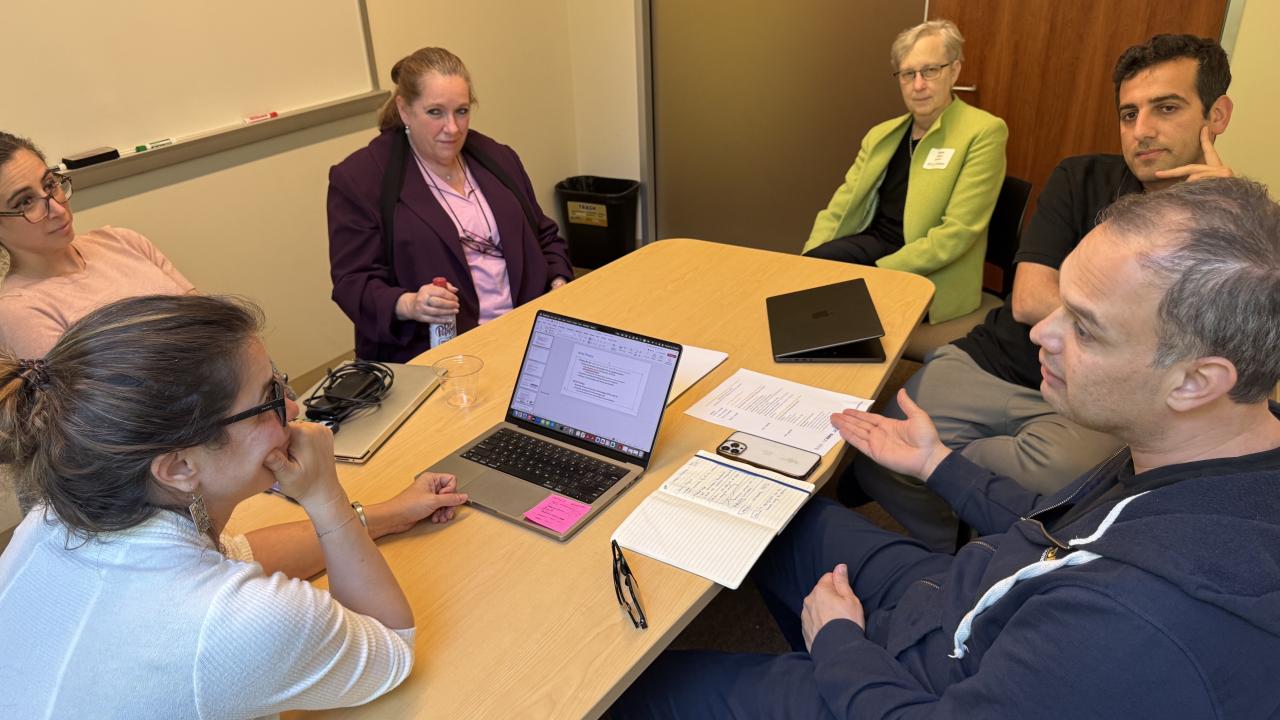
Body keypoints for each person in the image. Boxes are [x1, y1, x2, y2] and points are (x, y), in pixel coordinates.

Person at [615, 176, 1280, 719]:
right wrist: (938, 464)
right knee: (767, 500)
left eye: (1085, 327)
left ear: (1196, 381)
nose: (1041, 330)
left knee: (632, 693)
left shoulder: (1137, 623)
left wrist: (839, 644)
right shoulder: (1219, 444)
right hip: (960, 595)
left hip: (919, 681)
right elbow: (1067, 532)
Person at [851, 34, 1237, 551]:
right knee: (877, 453)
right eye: (1128, 114)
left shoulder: (1236, 224)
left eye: (1166, 108)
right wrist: (1127, 328)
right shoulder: (1080, 177)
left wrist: (1212, 220)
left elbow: (1226, 351)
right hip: (999, 360)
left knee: (1067, 491)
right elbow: (1031, 299)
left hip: (1097, 399)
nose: (1142, 131)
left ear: (1217, 115)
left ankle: (1000, 534)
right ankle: (990, 548)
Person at [0, 294, 470, 716]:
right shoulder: (232, 625)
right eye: (269, 397)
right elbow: (389, 647)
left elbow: (236, 554)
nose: (295, 408)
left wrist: (386, 515)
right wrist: (326, 499)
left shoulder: (52, 520)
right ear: (179, 466)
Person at [328, 47, 574, 362]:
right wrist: (410, 303)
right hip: (441, 354)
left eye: (462, 111)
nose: (453, 129)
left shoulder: (498, 158)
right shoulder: (361, 179)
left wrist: (558, 282)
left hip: (524, 332)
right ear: (404, 110)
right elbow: (353, 283)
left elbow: (544, 235)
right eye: (435, 112)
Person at [803, 20, 1007, 325]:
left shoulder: (984, 131)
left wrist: (877, 272)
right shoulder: (882, 135)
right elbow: (838, 209)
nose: (918, 85)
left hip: (932, 271)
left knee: (832, 311)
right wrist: (803, 260)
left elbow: (957, 234)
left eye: (930, 71)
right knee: (811, 275)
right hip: (876, 244)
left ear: (954, 70)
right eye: (908, 74)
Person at [0, 132, 193, 358]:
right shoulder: (19, 312)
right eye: (26, 202)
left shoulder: (122, 241)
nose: (59, 210)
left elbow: (215, 325)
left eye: (50, 184)